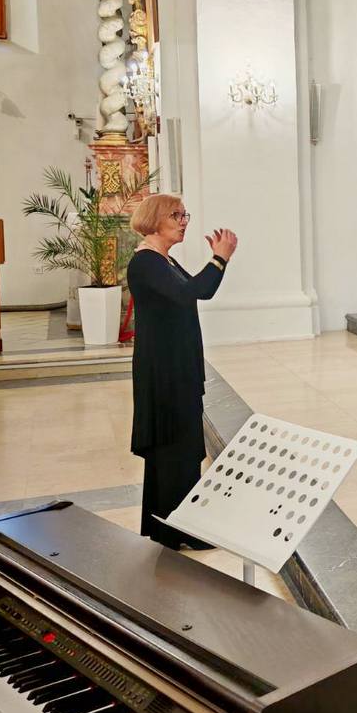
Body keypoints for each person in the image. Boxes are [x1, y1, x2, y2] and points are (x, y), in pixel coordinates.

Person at [128, 194, 237, 550]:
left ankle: (175, 526)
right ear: (155, 219)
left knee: (184, 446)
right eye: (176, 215)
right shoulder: (147, 263)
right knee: (173, 447)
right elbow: (197, 290)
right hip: (165, 370)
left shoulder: (163, 261)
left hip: (176, 364)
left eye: (184, 214)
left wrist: (219, 261)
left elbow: (197, 292)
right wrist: (220, 257)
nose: (184, 220)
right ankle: (174, 527)